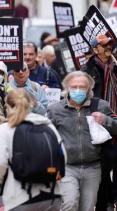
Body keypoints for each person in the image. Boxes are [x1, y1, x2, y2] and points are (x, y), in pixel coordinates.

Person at [48, 71, 117, 211]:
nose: (77, 90)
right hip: (67, 167)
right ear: (67, 88)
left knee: (87, 207)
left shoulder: (100, 105)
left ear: (89, 89)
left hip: (93, 167)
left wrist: (106, 120)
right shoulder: (56, 110)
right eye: (74, 87)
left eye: (82, 87)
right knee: (69, 203)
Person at [0, 89, 65, 211]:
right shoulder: (47, 125)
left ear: (8, 106)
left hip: (19, 197)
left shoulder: (4, 129)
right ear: (30, 103)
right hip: (52, 195)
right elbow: (63, 156)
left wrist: (3, 181)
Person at [80, 34, 117, 210]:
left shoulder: (116, 66)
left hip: (115, 121)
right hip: (98, 125)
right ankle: (105, 203)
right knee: (102, 168)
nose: (108, 47)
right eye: (103, 45)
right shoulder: (87, 70)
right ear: (95, 50)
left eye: (109, 44)